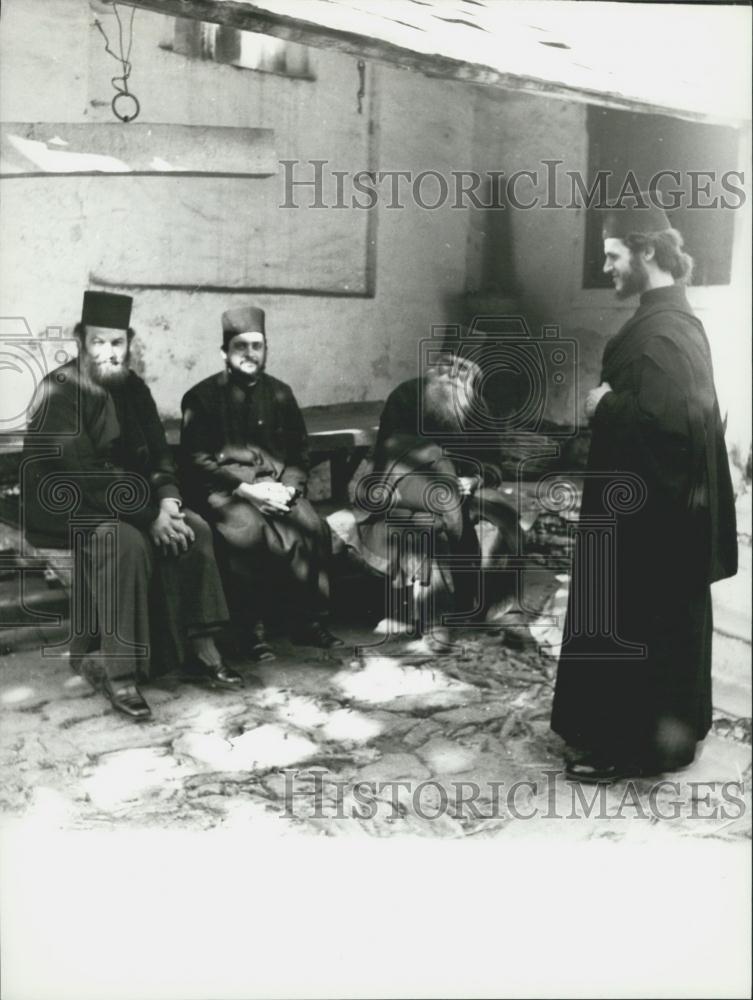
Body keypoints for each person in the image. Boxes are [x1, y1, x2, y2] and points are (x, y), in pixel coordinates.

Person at [551, 198, 738, 782]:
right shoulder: (666, 324)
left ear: (647, 252)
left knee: (633, 625)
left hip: (651, 527)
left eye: (612, 256)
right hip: (642, 514)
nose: (606, 268)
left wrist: (609, 406)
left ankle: (629, 749)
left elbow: (676, 426)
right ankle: (627, 736)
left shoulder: (666, 331)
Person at [22, 291, 243, 721]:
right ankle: (120, 671)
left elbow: (161, 455)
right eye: (98, 342)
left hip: (128, 501)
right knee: (123, 542)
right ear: (81, 341)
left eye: (117, 343)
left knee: (193, 528)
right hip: (67, 505)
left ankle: (201, 644)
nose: (109, 352)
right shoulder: (58, 390)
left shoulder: (134, 387)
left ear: (129, 343)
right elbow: (81, 472)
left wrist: (169, 502)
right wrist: (148, 515)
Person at [180, 305, 342, 657]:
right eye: (241, 346)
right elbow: (197, 460)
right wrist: (247, 491)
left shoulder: (281, 393)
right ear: (225, 352)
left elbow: (300, 453)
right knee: (247, 531)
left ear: (266, 350)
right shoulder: (201, 398)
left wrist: (291, 488)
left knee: (310, 524)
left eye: (257, 346)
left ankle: (308, 622)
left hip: (278, 485)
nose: (250, 354)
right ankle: (249, 630)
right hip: (228, 490)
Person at [352, 343, 518, 651]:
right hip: (407, 492)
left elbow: (495, 464)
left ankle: (481, 607)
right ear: (434, 365)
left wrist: (475, 479)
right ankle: (435, 617)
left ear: (473, 378)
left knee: (500, 517)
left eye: (462, 369)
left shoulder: (479, 408)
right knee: (426, 523)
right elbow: (390, 460)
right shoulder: (406, 396)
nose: (451, 374)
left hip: (464, 493)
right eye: (446, 364)